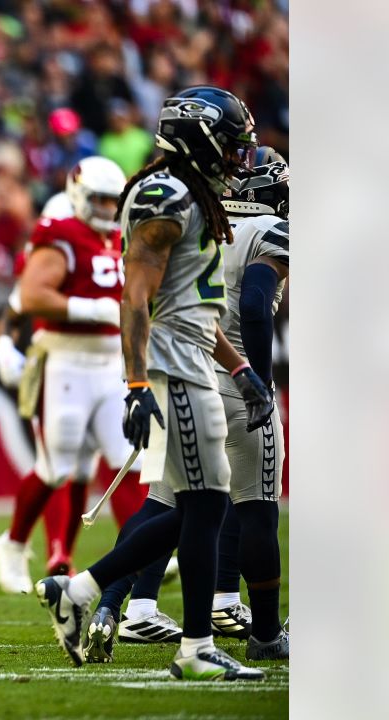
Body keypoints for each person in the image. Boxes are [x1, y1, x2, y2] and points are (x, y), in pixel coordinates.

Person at [35, 86, 272, 681]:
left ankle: (83, 589)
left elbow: (198, 303)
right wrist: (138, 383)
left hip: (196, 355)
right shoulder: (164, 194)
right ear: (201, 137)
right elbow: (135, 296)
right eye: (232, 141)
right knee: (206, 503)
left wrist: (239, 367)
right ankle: (192, 647)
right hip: (173, 364)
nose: (240, 154)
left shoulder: (195, 195)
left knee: (205, 504)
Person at [0, 156, 146, 593]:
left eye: (113, 201)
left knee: (125, 463)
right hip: (66, 362)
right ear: (77, 194)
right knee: (57, 466)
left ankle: (136, 560)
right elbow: (29, 295)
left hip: (111, 363)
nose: (106, 208)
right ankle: (15, 544)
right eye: (98, 199)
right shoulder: (60, 232)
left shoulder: (119, 236)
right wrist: (88, 308)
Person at [208, 148, 290, 660]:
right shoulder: (270, 230)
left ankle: (108, 598)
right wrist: (257, 377)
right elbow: (256, 305)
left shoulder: (201, 222)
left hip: (190, 379)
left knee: (177, 507)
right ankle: (264, 635)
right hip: (238, 386)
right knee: (258, 510)